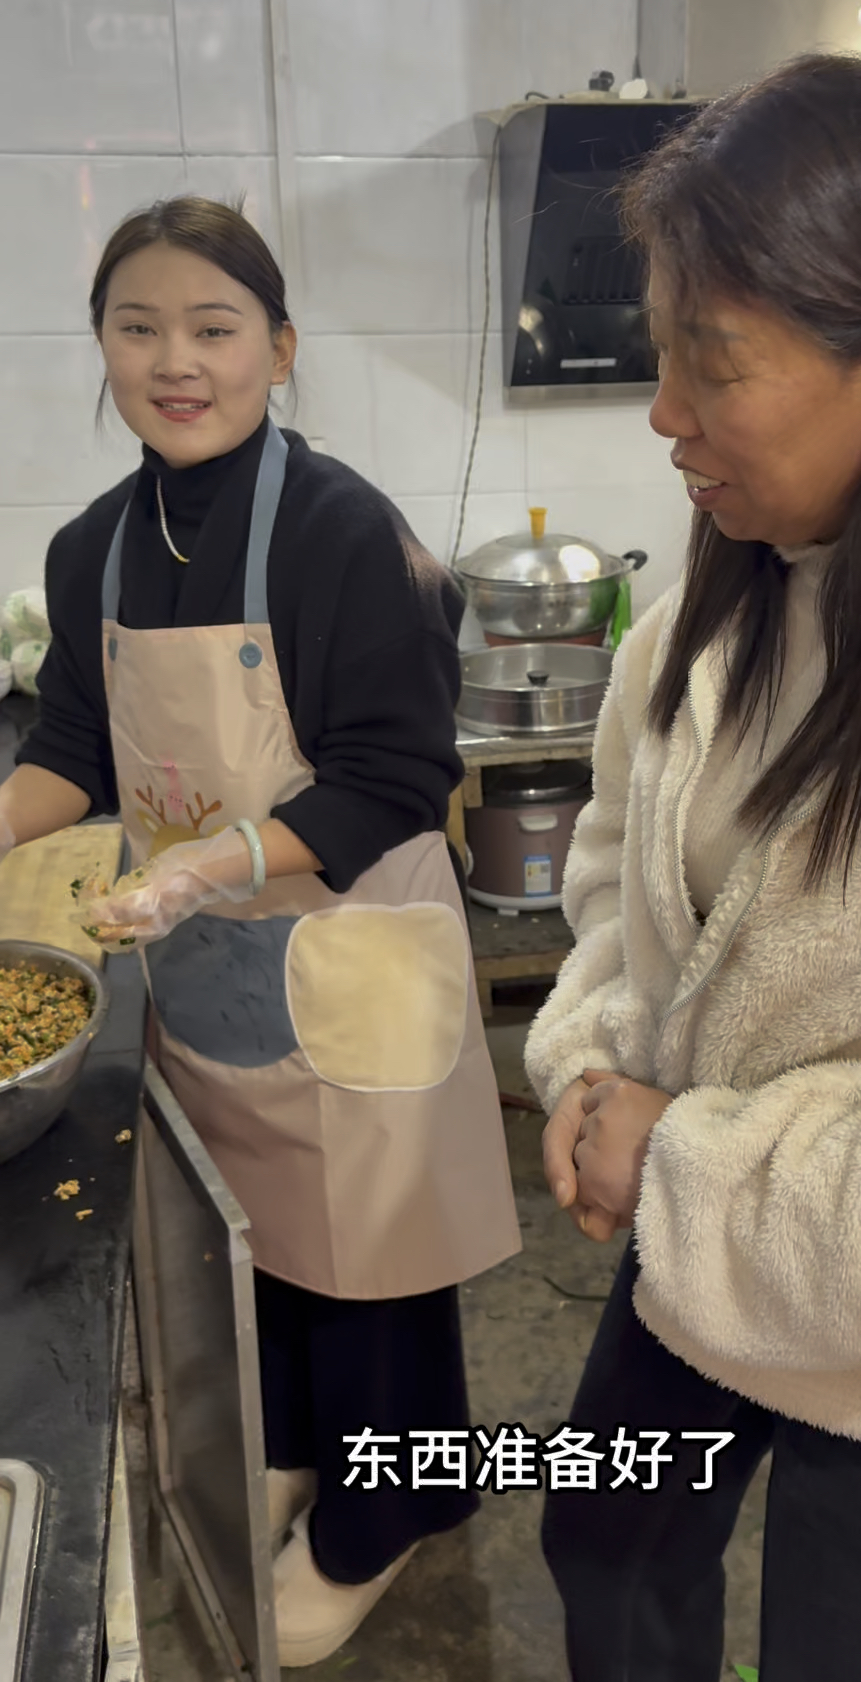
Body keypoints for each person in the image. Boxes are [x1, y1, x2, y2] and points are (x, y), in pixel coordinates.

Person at [524, 54, 861, 1682]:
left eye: (713, 360)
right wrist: (586, 1072)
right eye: (661, 347)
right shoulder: (759, 558)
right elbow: (623, 872)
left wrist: (671, 1161)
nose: (662, 415)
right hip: (707, 1252)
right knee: (605, 1548)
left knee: (853, 1653)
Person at [3, 196, 520, 1669]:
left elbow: (395, 774)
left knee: (374, 1269)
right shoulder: (92, 548)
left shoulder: (346, 531)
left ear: (278, 350)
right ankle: (308, 1454)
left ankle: (385, 1516)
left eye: (215, 330)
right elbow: (76, 747)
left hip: (349, 949)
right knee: (266, 1253)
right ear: (99, 347)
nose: (178, 362)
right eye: (138, 327)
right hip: (210, 966)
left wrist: (210, 862)